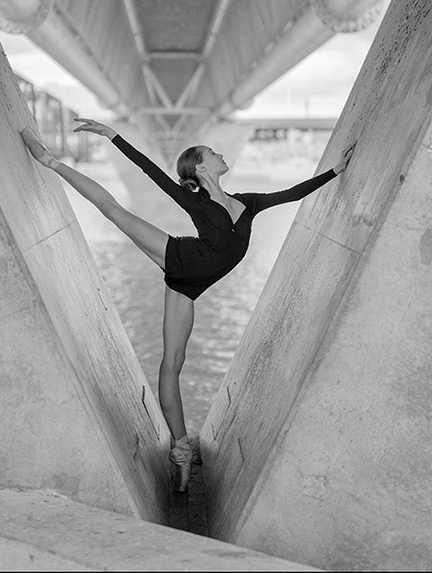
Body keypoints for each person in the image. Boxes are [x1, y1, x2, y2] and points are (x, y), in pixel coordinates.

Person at [21, 119, 356, 492]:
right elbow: (149, 170)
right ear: (200, 167)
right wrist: (110, 134)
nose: (221, 153)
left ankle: (179, 454)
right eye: (213, 153)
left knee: (174, 363)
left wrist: (334, 171)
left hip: (191, 286)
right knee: (113, 211)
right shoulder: (195, 201)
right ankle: (50, 160)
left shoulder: (249, 203)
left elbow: (293, 193)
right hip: (178, 257)